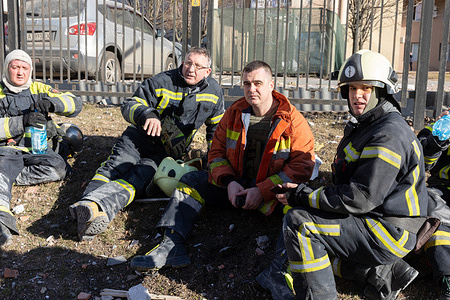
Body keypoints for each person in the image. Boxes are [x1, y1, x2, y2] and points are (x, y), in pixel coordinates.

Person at [129, 60, 315, 272]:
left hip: (272, 195)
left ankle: (281, 272)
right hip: (236, 188)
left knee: (301, 206)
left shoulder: (293, 120)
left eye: (258, 83)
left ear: (271, 85)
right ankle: (170, 247)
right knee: (190, 182)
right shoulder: (234, 113)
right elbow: (216, 153)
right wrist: (229, 182)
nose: (251, 89)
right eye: (246, 84)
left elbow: (302, 166)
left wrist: (262, 192)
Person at [279, 50, 428, 300]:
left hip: (386, 231)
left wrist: (303, 197)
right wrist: (308, 193)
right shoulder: (370, 125)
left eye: (365, 88)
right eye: (351, 89)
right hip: (377, 220)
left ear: (381, 91)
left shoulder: (387, 135)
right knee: (307, 240)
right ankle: (384, 273)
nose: (357, 95)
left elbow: (360, 197)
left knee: (300, 224)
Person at [69, 47, 225, 241]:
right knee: (114, 168)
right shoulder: (161, 81)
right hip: (138, 138)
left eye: (197, 66)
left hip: (166, 153)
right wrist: (147, 115)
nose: (190, 69)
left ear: (207, 72)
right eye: (187, 63)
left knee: (142, 176)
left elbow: (217, 131)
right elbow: (130, 105)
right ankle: (85, 207)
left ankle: (95, 209)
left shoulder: (215, 93)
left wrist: (213, 159)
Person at [0, 49, 83, 247]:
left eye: (24, 67)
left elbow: (76, 103)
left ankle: (14, 176)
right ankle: (2, 216)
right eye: (15, 67)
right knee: (3, 168)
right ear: (7, 68)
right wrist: (21, 122)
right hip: (8, 150)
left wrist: (53, 104)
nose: (20, 72)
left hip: (37, 148)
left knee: (60, 168)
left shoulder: (38, 88)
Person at [417, 112, 450, 300]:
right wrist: (436, 140)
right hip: (442, 192)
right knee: (433, 221)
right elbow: (420, 162)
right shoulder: (444, 123)